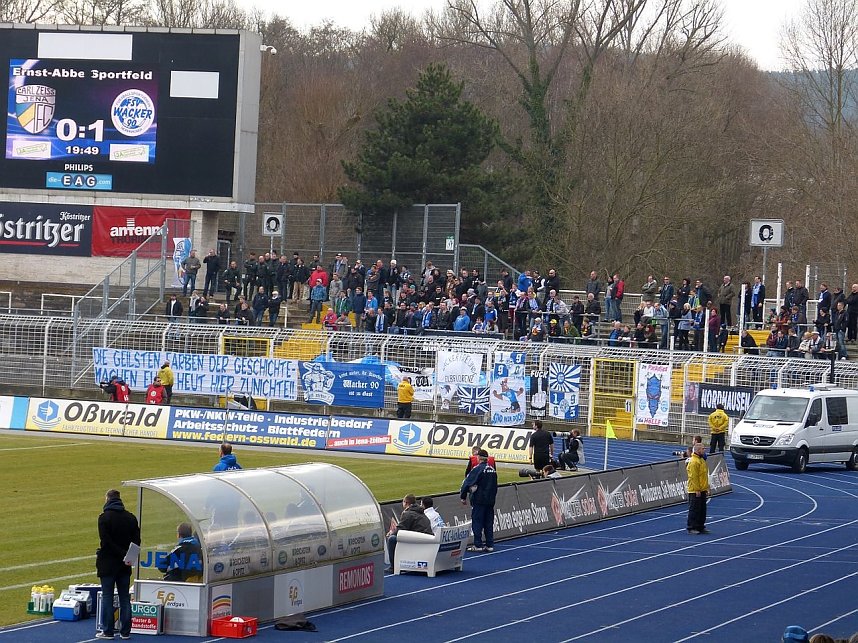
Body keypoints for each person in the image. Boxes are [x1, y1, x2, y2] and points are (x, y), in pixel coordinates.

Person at [96, 489, 140, 640]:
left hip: (108, 563)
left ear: (107, 499)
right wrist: (128, 556)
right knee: (124, 597)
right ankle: (125, 631)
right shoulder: (131, 518)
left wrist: (120, 553)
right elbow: (136, 542)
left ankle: (108, 631)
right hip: (125, 564)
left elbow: (106, 542)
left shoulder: (104, 518)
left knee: (108, 597)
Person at [460, 449, 498, 552]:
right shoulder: (492, 470)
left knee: (477, 522)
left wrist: (463, 496)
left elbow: (467, 483)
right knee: (488, 523)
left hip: (479, 500)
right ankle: (489, 544)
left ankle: (478, 545)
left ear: (478, 458)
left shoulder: (477, 469)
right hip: (490, 501)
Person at [385, 493, 432, 572]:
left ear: (406, 503)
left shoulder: (408, 514)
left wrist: (391, 533)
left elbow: (400, 529)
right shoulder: (421, 512)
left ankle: (393, 566)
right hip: (425, 539)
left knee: (392, 539)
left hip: (418, 541)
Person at [686, 442, 710, 535]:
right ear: (698, 450)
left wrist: (706, 487)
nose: (704, 450)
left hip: (702, 488)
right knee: (694, 509)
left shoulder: (702, 460)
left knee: (702, 509)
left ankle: (700, 526)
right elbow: (693, 477)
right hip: (695, 490)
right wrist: (697, 489)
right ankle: (691, 527)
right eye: (703, 449)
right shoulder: (693, 462)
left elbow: (704, 476)